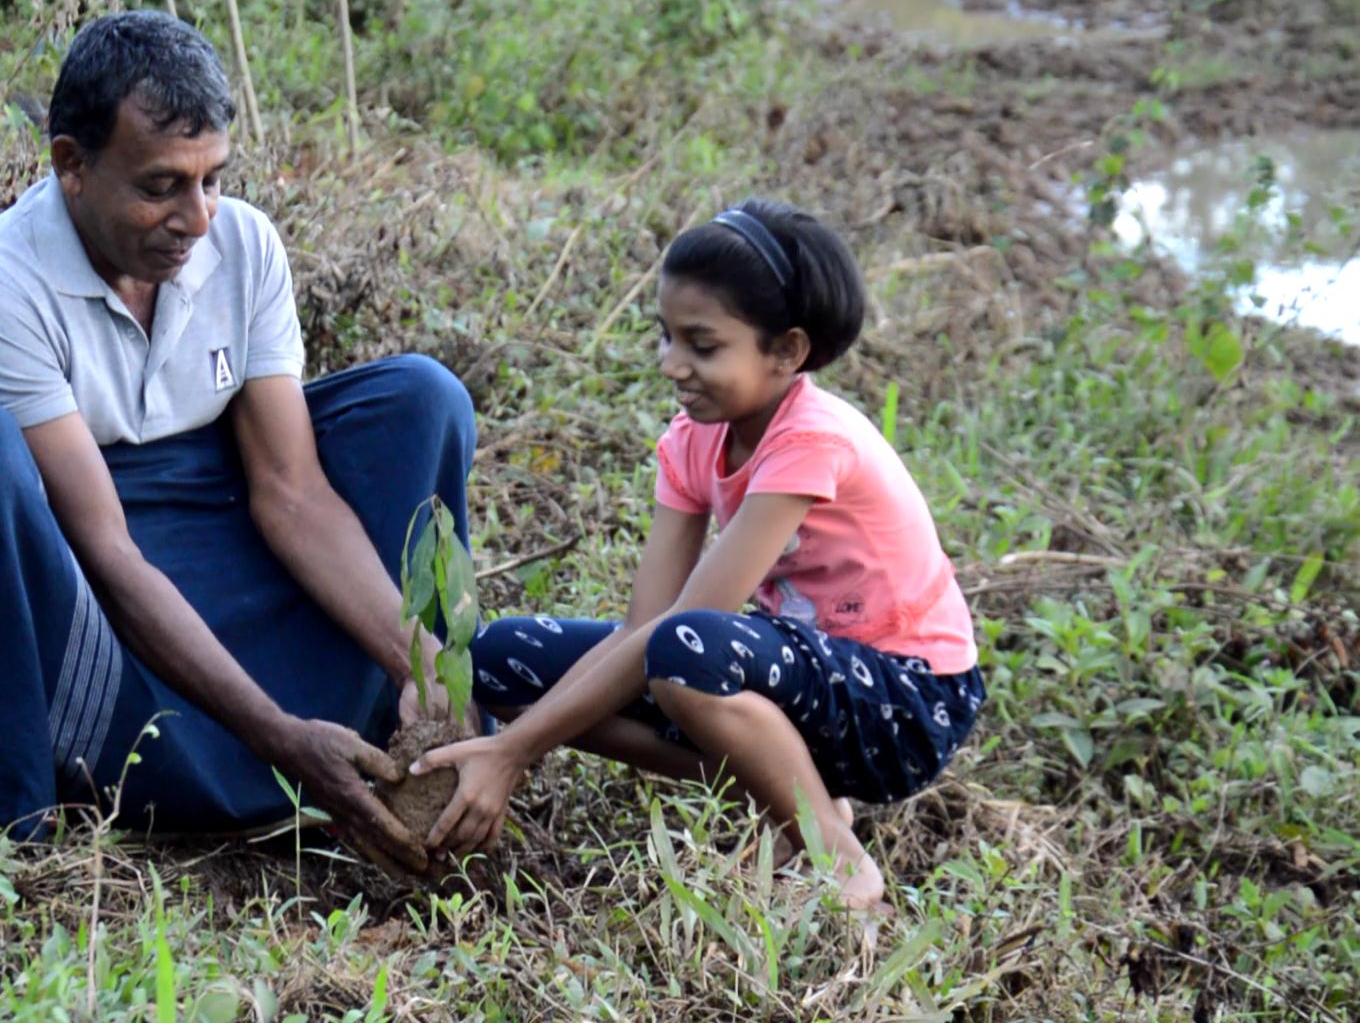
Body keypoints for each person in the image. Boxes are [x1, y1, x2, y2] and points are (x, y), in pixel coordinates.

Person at [0, 11, 476, 873]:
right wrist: (276, 736)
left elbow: (294, 493)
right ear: (71, 165)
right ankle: (19, 799)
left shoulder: (243, 245)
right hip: (63, 573)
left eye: (212, 180)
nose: (195, 219)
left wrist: (418, 664)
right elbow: (108, 553)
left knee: (420, 399)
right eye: (160, 186)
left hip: (200, 531)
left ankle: (367, 729)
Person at [411, 200, 985, 907]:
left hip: (907, 701)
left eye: (703, 346)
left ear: (788, 351)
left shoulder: (811, 440)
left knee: (688, 650)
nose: (672, 364)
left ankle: (839, 861)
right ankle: (795, 790)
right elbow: (642, 623)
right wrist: (515, 736)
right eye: (666, 336)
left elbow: (689, 621)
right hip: (800, 681)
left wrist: (514, 750)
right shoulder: (694, 438)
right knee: (502, 659)